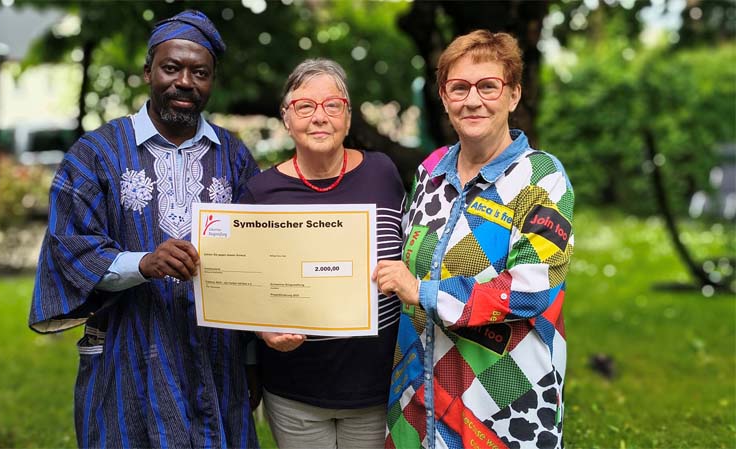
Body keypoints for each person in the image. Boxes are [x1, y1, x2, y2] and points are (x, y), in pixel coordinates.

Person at [28, 10, 260, 449]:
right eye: (171, 68)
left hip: (217, 362)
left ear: (212, 80)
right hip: (126, 357)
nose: (185, 82)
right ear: (148, 72)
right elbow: (71, 249)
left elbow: (258, 259)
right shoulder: (96, 154)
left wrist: (251, 360)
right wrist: (144, 263)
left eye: (200, 72)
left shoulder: (233, 155)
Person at [374, 30, 574, 449]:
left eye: (488, 86)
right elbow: (403, 260)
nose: (472, 99)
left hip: (501, 401)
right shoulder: (430, 170)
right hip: (417, 395)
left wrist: (425, 292)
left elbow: (532, 288)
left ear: (514, 95)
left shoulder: (541, 177)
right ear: (444, 98)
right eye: (458, 87)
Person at [239, 58, 407, 449]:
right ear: (286, 118)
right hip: (295, 390)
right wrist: (262, 329)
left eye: (332, 105)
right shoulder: (259, 194)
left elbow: (409, 247)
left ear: (347, 118)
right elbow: (244, 285)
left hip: (377, 385)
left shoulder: (383, 173)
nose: (319, 117)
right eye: (304, 106)